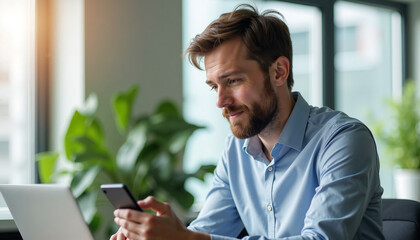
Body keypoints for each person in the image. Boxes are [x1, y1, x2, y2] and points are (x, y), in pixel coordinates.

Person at [111, 4, 385, 240]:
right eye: (214, 86)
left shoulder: (345, 141)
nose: (220, 101)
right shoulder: (235, 153)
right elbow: (205, 231)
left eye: (233, 81)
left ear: (279, 72)